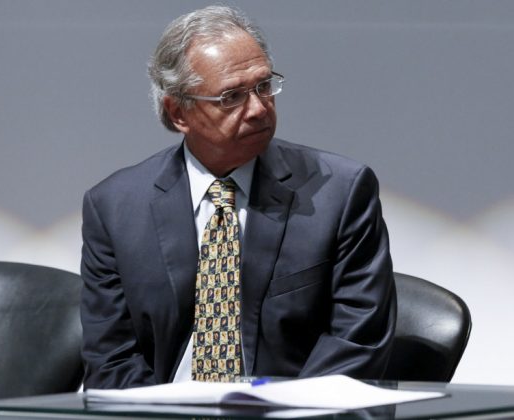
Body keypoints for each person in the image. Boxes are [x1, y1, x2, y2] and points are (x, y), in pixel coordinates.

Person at [81, 5, 396, 389]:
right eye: (231, 97)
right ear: (178, 113)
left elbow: (357, 341)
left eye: (264, 86)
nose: (259, 109)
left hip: (294, 410)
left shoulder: (340, 192)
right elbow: (111, 358)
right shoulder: (114, 208)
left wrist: (271, 411)